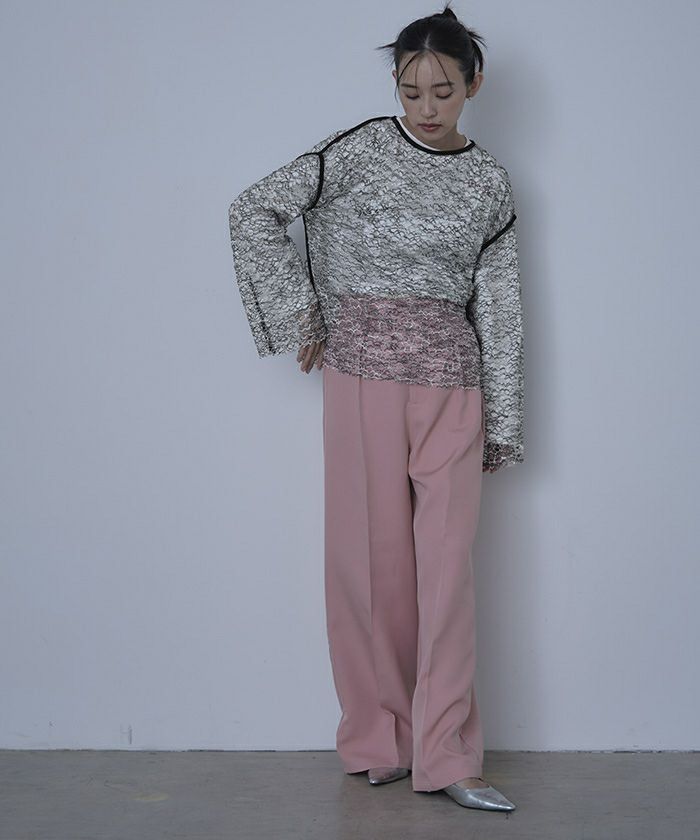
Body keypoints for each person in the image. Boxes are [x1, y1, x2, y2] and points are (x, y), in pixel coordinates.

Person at [228, 2, 523, 814]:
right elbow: (253, 209)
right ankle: (377, 739)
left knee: (447, 575)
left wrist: (503, 419)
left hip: (453, 384)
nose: (426, 107)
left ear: (474, 84)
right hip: (361, 376)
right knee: (369, 567)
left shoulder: (491, 182)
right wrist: (301, 315)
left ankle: (450, 755)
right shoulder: (355, 150)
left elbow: (499, 305)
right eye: (410, 90)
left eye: (443, 91)